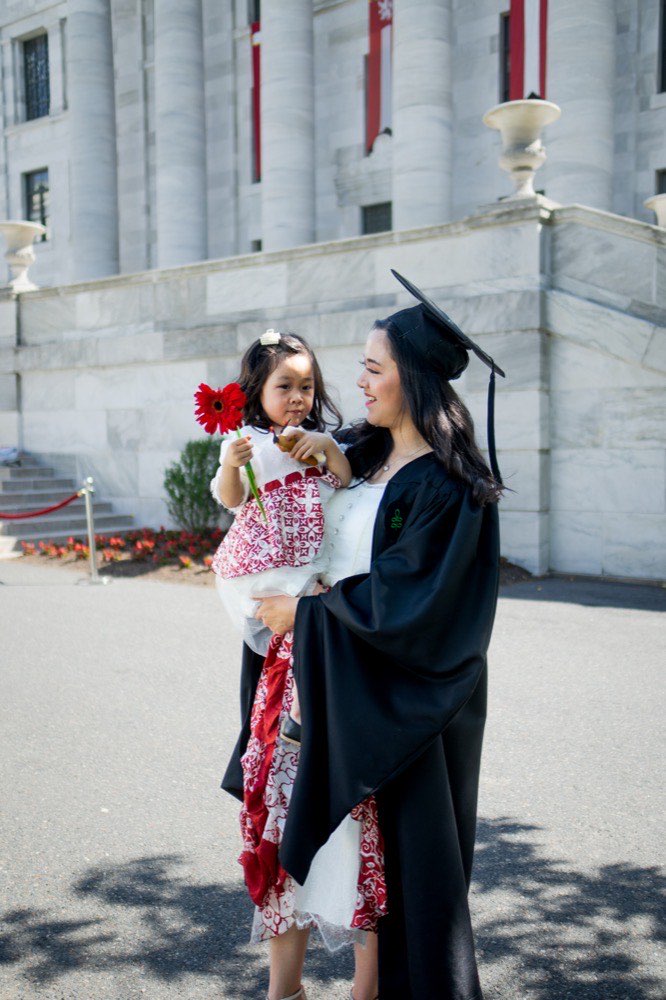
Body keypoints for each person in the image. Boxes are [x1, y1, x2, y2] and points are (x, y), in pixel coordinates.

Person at [239, 272, 504, 999]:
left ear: (412, 378)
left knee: (389, 874)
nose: (357, 380)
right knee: (312, 851)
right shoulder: (359, 449)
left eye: (373, 367)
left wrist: (306, 615)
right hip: (325, 686)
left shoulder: (448, 487)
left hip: (396, 708)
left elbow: (414, 603)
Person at [211, 329, 388, 999]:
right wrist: (232, 463)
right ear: (255, 392)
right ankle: (287, 986)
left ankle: (360, 984)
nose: (297, 396)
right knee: (283, 792)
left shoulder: (327, 445)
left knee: (350, 812)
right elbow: (231, 497)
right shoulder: (248, 444)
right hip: (277, 604)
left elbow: (341, 480)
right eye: (284, 385)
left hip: (320, 607)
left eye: (306, 385)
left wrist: (326, 451)